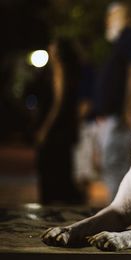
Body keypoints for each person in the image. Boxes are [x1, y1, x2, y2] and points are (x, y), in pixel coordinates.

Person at [94, 1, 131, 200]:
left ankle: (119, 209)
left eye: (112, 16)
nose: (108, 21)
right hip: (116, 114)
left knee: (115, 162)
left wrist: (128, 108)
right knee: (114, 162)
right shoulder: (121, 42)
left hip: (120, 115)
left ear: (125, 18)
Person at [36, 38, 85, 204]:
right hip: (63, 129)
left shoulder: (59, 70)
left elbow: (58, 103)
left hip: (57, 131)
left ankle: (53, 203)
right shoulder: (66, 70)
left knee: (51, 166)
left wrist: (45, 128)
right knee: (59, 166)